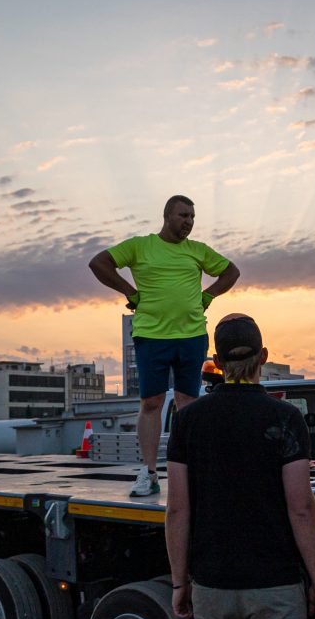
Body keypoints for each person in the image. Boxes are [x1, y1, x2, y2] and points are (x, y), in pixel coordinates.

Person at [165, 314, 315, 619]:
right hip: (275, 587)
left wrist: (180, 582)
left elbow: (178, 508)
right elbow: (301, 506)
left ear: (217, 362)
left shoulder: (186, 420)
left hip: (212, 586)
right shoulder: (285, 418)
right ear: (264, 356)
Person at [89, 195, 240, 495]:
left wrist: (208, 296)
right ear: (167, 216)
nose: (189, 222)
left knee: (188, 404)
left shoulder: (197, 251)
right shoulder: (140, 246)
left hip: (191, 335)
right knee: (151, 402)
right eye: (184, 215)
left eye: (193, 217)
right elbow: (99, 263)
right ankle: (148, 473)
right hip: (151, 336)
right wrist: (130, 292)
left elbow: (231, 271)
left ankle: (190, 470)